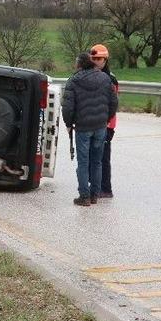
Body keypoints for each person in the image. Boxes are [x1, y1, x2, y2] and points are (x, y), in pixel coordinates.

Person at [62, 52, 118, 206]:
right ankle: (95, 195)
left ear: (79, 64)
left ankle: (84, 196)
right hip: (100, 126)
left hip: (83, 127)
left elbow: (67, 106)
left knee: (83, 162)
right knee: (97, 162)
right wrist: (106, 119)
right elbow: (114, 102)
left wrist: (68, 124)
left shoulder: (74, 80)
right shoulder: (104, 78)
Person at [90, 44, 119, 198]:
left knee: (103, 157)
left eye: (99, 59)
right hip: (95, 122)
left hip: (107, 124)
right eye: (93, 58)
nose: (96, 61)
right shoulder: (91, 75)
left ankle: (106, 189)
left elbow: (112, 103)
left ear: (105, 60)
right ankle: (95, 185)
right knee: (93, 155)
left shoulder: (110, 78)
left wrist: (107, 123)